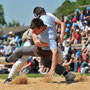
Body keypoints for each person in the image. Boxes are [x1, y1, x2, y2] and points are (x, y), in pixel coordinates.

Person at [0, 13, 75, 85]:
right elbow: (37, 40)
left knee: (43, 61)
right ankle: (9, 75)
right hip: (32, 39)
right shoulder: (45, 18)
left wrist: (54, 42)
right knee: (26, 58)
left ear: (42, 27)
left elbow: (50, 47)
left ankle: (7, 68)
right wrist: (57, 39)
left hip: (41, 46)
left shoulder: (48, 33)